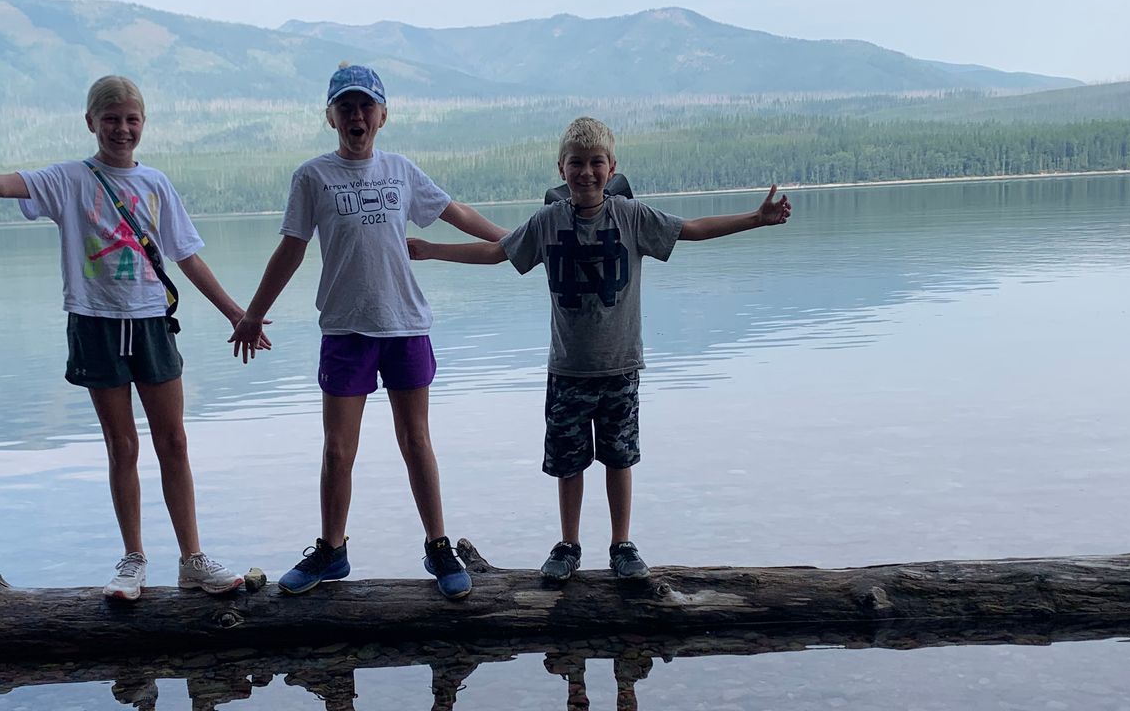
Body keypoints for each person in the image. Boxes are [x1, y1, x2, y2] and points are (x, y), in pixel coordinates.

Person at [0, 74, 262, 601]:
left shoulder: (156, 184)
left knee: (174, 442)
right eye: (111, 119)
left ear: (143, 123)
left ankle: (193, 559)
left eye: (131, 120)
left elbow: (187, 256)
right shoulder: (69, 179)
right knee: (122, 445)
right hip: (94, 322)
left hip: (151, 322)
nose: (122, 129)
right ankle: (133, 560)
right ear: (91, 122)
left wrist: (237, 314)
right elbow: (1, 184)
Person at [409, 116, 792, 583]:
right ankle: (568, 545)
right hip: (568, 370)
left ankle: (621, 544)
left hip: (620, 367)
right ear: (561, 168)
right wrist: (431, 249)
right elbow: (497, 252)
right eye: (576, 163)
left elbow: (691, 228)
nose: (586, 172)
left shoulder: (631, 217)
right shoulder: (547, 222)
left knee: (619, 458)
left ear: (612, 168)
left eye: (596, 163)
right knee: (569, 464)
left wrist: (755, 219)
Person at [229, 64, 508, 600]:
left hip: (405, 325)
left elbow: (455, 212)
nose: (356, 116)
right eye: (346, 107)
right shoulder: (312, 177)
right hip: (345, 328)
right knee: (338, 449)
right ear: (330, 116)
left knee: (416, 441)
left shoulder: (401, 170)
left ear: (383, 115)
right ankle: (331, 551)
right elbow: (291, 248)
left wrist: (515, 240)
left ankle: (438, 546)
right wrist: (254, 313)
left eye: (366, 106)